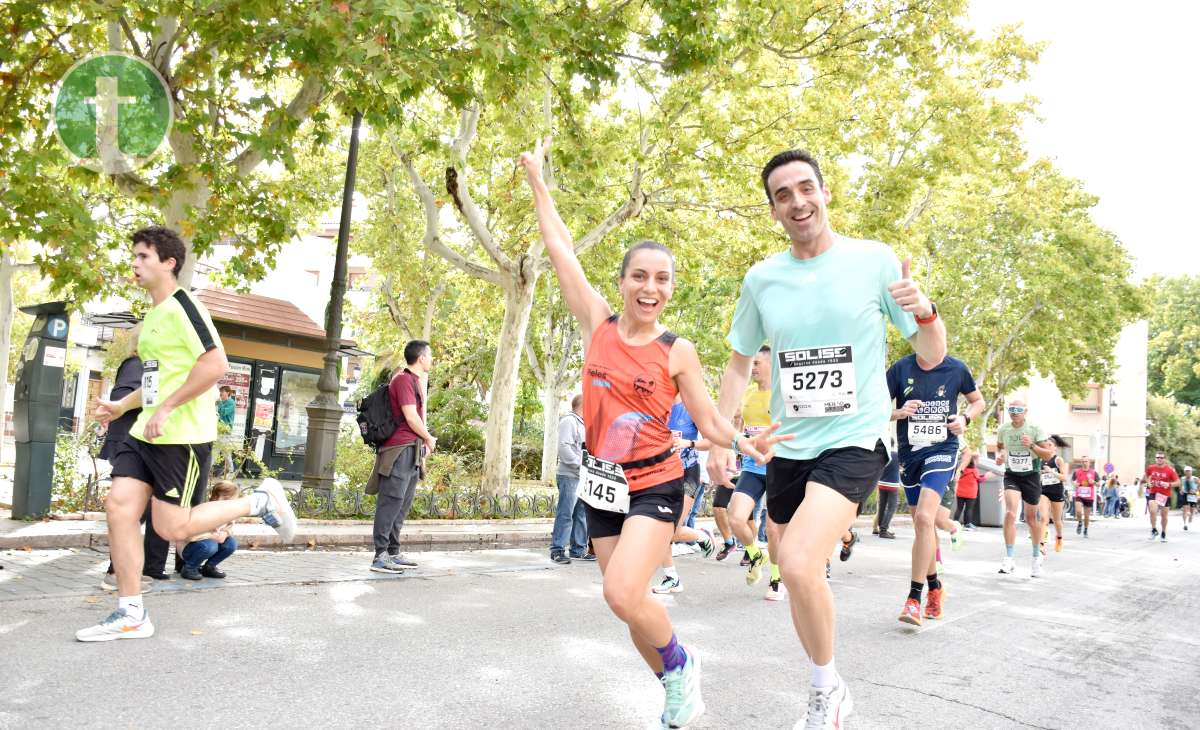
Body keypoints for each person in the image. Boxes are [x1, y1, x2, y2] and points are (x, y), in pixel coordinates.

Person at [520, 138, 789, 729]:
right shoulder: (597, 323)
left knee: (621, 594)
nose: (651, 286)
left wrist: (743, 442)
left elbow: (713, 419)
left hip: (655, 484)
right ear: (621, 282)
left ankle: (682, 664)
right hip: (600, 485)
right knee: (631, 608)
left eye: (662, 279)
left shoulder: (677, 351)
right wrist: (538, 180)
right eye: (640, 275)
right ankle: (675, 684)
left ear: (670, 287)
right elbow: (560, 248)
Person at [707, 148, 945, 727]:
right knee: (797, 570)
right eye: (783, 195)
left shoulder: (873, 261)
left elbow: (931, 354)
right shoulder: (763, 278)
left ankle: (824, 690)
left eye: (805, 188)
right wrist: (719, 436)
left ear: (825, 192)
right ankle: (829, 683)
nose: (797, 202)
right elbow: (739, 364)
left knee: (796, 560)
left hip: (855, 438)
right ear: (773, 211)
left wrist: (929, 313)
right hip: (788, 446)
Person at [79, 226, 296, 642]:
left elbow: (215, 365)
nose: (135, 264)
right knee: (119, 509)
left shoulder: (183, 306)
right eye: (134, 256)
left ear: (169, 262)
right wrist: (124, 406)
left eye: (143, 256)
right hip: (147, 432)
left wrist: (168, 408)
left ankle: (260, 500)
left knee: (173, 529)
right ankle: (131, 613)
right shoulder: (155, 315)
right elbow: (163, 377)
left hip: (183, 436)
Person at [887, 350, 984, 625]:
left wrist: (964, 419)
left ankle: (914, 599)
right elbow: (875, 406)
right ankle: (935, 587)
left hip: (943, 448)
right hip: (909, 454)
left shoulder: (957, 368)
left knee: (925, 517)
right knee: (923, 525)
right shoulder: (900, 369)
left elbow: (977, 401)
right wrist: (898, 412)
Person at [99, 326, 159, 591]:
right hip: (133, 443)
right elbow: (122, 395)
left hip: (136, 442)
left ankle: (121, 571)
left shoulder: (143, 364)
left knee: (134, 512)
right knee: (132, 511)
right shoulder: (137, 363)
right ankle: (117, 573)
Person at [367, 340, 436, 572]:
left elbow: (418, 418)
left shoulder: (416, 381)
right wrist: (429, 438)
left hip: (412, 449)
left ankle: (393, 551)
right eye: (430, 355)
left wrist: (423, 446)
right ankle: (380, 555)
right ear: (421, 358)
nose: (432, 359)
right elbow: (411, 417)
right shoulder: (403, 380)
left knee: (403, 503)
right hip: (398, 450)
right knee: (391, 501)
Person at [652, 396, 715, 594]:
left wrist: (689, 443)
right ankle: (672, 577)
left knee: (671, 529)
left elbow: (711, 441)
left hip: (688, 473)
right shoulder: (656, 406)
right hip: (662, 474)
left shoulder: (691, 407)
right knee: (662, 529)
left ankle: (701, 535)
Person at [994, 399, 1055, 578]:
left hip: (1031, 476)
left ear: (1025, 411)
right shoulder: (1004, 429)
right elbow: (1000, 448)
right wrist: (1001, 456)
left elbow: (1047, 454)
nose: (1014, 412)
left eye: (1018, 409)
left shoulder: (1035, 429)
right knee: (1010, 513)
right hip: (1012, 474)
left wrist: (1032, 445)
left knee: (1031, 519)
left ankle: (1036, 558)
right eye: (1011, 409)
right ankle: (1009, 558)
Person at [550, 393, 590, 564]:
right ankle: (557, 550)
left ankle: (578, 550)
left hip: (583, 476)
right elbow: (564, 448)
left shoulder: (584, 423)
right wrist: (580, 465)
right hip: (570, 475)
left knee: (581, 513)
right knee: (566, 514)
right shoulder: (569, 421)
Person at [178, 480, 240, 580]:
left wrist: (225, 533)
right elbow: (189, 535)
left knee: (231, 543)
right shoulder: (204, 511)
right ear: (215, 497)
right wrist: (211, 536)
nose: (230, 503)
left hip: (208, 544)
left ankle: (209, 567)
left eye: (233, 500)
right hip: (188, 548)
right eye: (226, 499)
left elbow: (230, 527)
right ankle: (189, 568)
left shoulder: (229, 512)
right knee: (211, 545)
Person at [1038, 436, 1070, 552]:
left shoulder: (1058, 460)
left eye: (1050, 445)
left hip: (1056, 492)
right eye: (1046, 445)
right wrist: (1040, 474)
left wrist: (1051, 471)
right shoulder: (1040, 460)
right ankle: (1041, 544)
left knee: (1057, 521)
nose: (1047, 447)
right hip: (1044, 492)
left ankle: (1059, 537)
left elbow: (1064, 477)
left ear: (1055, 448)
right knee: (1043, 518)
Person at [1144, 452, 1180, 542]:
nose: (1159, 459)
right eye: (1157, 457)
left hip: (1165, 495)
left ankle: (1163, 533)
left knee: (1164, 516)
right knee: (1152, 511)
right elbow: (1146, 476)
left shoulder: (1170, 470)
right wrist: (1148, 483)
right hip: (1153, 493)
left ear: (1164, 459)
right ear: (1155, 458)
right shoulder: (1151, 467)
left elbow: (1178, 482)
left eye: (1161, 457)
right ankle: (1153, 530)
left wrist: (1168, 484)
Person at [953, 449, 986, 530]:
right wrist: (986, 476)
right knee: (969, 509)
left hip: (960, 492)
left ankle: (954, 523)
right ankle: (967, 524)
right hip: (970, 494)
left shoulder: (961, 470)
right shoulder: (974, 470)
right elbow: (979, 479)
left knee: (959, 508)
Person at [874, 443, 901, 539]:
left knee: (882, 506)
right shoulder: (898, 455)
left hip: (882, 482)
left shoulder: (883, 454)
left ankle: (880, 527)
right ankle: (883, 530)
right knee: (891, 507)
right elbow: (902, 467)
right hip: (893, 484)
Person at [1072, 458, 1099, 536]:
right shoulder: (1077, 472)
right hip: (1079, 494)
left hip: (1089, 496)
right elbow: (1073, 480)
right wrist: (1074, 484)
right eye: (1083, 461)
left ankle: (1086, 530)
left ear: (1089, 462)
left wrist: (1093, 482)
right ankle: (1080, 522)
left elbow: (1099, 483)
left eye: (1086, 461)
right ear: (1081, 462)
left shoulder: (1094, 473)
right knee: (1078, 511)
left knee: (1087, 516)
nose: (1084, 463)